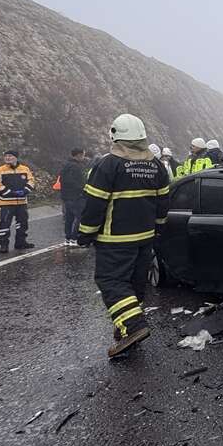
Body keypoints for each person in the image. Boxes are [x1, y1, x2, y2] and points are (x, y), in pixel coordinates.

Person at [77, 114, 170, 358]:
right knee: (134, 284)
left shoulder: (108, 164)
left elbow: (94, 203)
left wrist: (85, 233)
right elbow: (163, 202)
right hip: (144, 238)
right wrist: (158, 227)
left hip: (114, 239)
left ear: (116, 136)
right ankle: (125, 328)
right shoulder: (156, 166)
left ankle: (134, 326)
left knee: (112, 282)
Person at [0, 150, 36, 254]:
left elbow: (31, 180)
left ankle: (21, 242)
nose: (7, 158)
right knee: (5, 224)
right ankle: (4, 245)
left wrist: (25, 190)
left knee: (22, 223)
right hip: (6, 203)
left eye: (10, 156)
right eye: (6, 156)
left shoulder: (25, 169)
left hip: (21, 202)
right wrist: (10, 193)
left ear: (16, 157)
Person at [58, 148, 89, 246]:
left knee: (69, 218)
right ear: (79, 155)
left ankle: (68, 239)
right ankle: (75, 238)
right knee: (80, 217)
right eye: (83, 155)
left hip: (66, 196)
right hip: (76, 196)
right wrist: (82, 189)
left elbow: (63, 180)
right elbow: (77, 182)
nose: (84, 157)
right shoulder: (76, 167)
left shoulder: (66, 165)